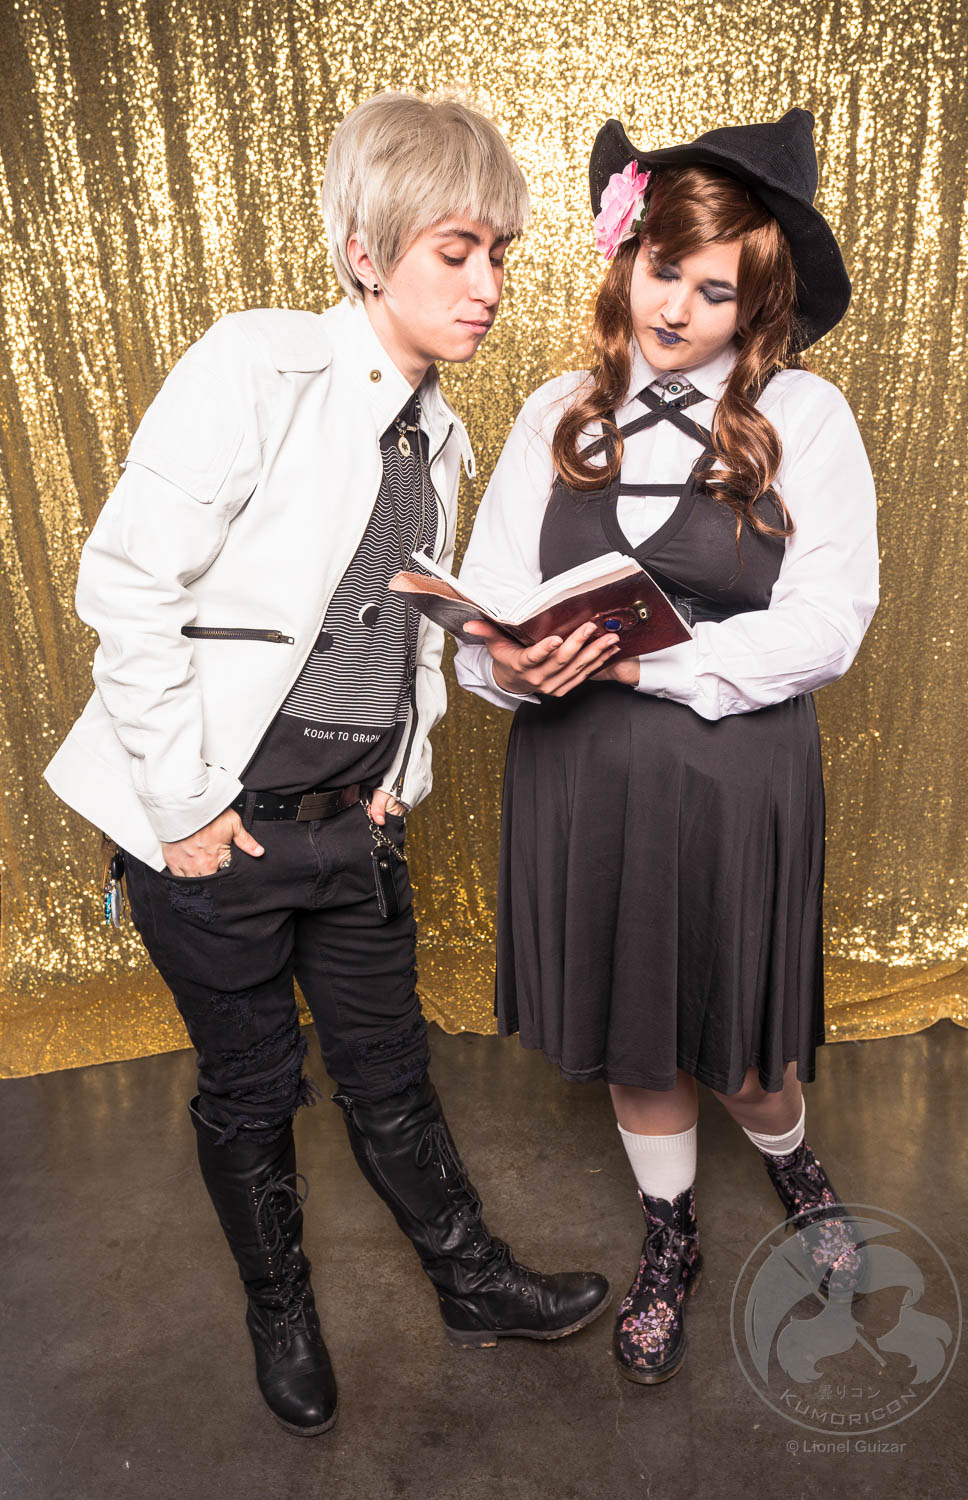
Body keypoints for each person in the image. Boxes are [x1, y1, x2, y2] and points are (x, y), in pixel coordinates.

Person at [44, 90, 609, 1437]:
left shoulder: (439, 433)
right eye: (454, 253)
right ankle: (280, 1314)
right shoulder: (258, 365)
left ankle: (470, 1284)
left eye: (499, 254)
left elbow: (397, 620)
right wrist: (182, 808)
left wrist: (404, 764)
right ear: (366, 251)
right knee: (250, 1091)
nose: (486, 286)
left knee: (390, 1071)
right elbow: (125, 585)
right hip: (217, 830)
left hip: (351, 826)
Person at [454, 109, 878, 1385]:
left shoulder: (802, 413)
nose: (676, 310)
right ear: (625, 257)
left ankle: (791, 1163)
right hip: (580, 778)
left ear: (757, 306)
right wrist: (502, 663)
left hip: (733, 779)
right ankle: (670, 1239)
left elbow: (830, 620)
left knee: (739, 1050)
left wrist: (651, 664)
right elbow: (486, 599)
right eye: (661, 271)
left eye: (714, 291)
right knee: (636, 1036)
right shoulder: (555, 411)